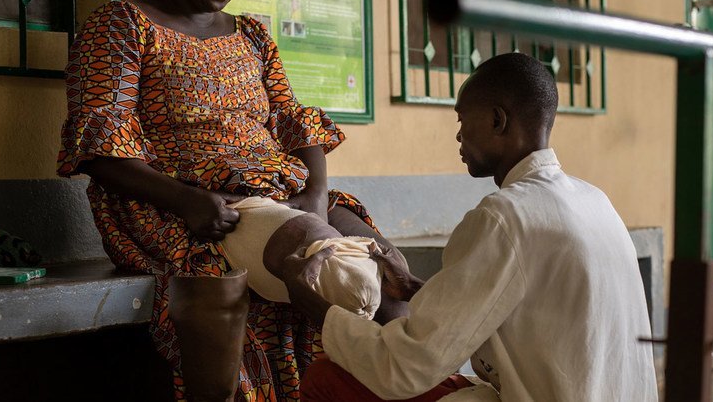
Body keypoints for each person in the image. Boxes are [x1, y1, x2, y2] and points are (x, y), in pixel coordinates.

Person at [56, 0, 415, 401]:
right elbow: (98, 143)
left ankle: (391, 389)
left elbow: (293, 119)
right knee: (333, 268)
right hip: (181, 203)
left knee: (387, 270)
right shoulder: (122, 25)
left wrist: (316, 191)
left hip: (280, 189)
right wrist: (188, 199)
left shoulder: (252, 35)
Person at [279, 53, 660, 401]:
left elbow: (405, 367)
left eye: (463, 120)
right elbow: (528, 309)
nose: (459, 136)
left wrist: (315, 305)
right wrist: (416, 289)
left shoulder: (503, 217)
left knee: (328, 377)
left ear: (497, 120)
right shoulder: (594, 199)